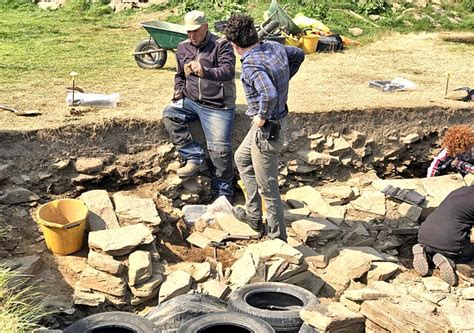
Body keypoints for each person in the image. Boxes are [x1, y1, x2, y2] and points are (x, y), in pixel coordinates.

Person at [224, 14, 305, 241]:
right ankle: (253, 216)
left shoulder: (251, 66)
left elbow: (268, 94)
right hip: (274, 121)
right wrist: (284, 78)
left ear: (234, 46)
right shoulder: (272, 46)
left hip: (267, 129)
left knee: (268, 188)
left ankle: (278, 238)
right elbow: (298, 54)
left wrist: (261, 115)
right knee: (241, 158)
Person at [163, 10, 236, 200]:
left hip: (218, 104)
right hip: (191, 101)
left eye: (195, 31)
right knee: (170, 114)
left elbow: (228, 71)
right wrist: (179, 91)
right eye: (188, 32)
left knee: (219, 149)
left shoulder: (221, 45)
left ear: (205, 27)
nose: (192, 36)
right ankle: (194, 155)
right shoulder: (182, 47)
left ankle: (223, 193)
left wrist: (205, 72)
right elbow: (179, 75)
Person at [412, 185, 474, 285]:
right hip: (450, 242)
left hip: (424, 234)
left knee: (446, 235)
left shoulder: (459, 190)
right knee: (470, 252)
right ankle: (450, 261)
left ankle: (426, 253)